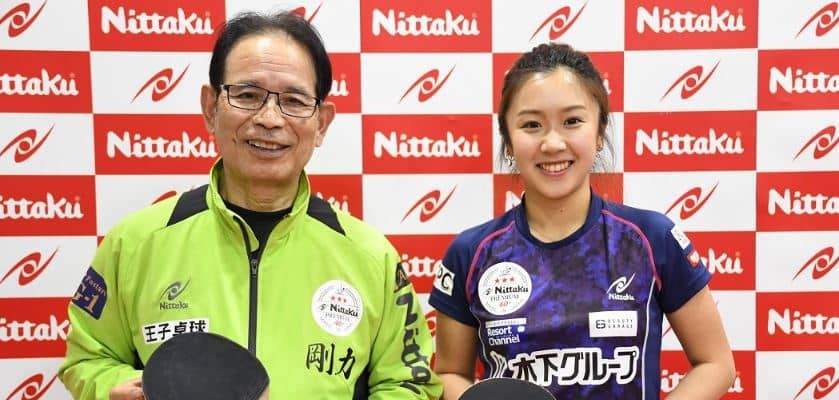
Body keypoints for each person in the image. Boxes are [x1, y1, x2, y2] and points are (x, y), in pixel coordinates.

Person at [58, 10, 441, 400]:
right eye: (247, 95)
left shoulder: (371, 257)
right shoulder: (135, 243)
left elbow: (408, 382)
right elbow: (89, 358)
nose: (269, 119)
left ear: (322, 123)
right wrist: (116, 389)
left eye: (294, 101)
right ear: (210, 108)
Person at [429, 43, 735, 400]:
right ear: (509, 142)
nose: (553, 143)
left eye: (572, 121)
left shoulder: (651, 238)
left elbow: (716, 364)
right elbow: (449, 373)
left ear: (600, 132)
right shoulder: (471, 253)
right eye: (531, 125)